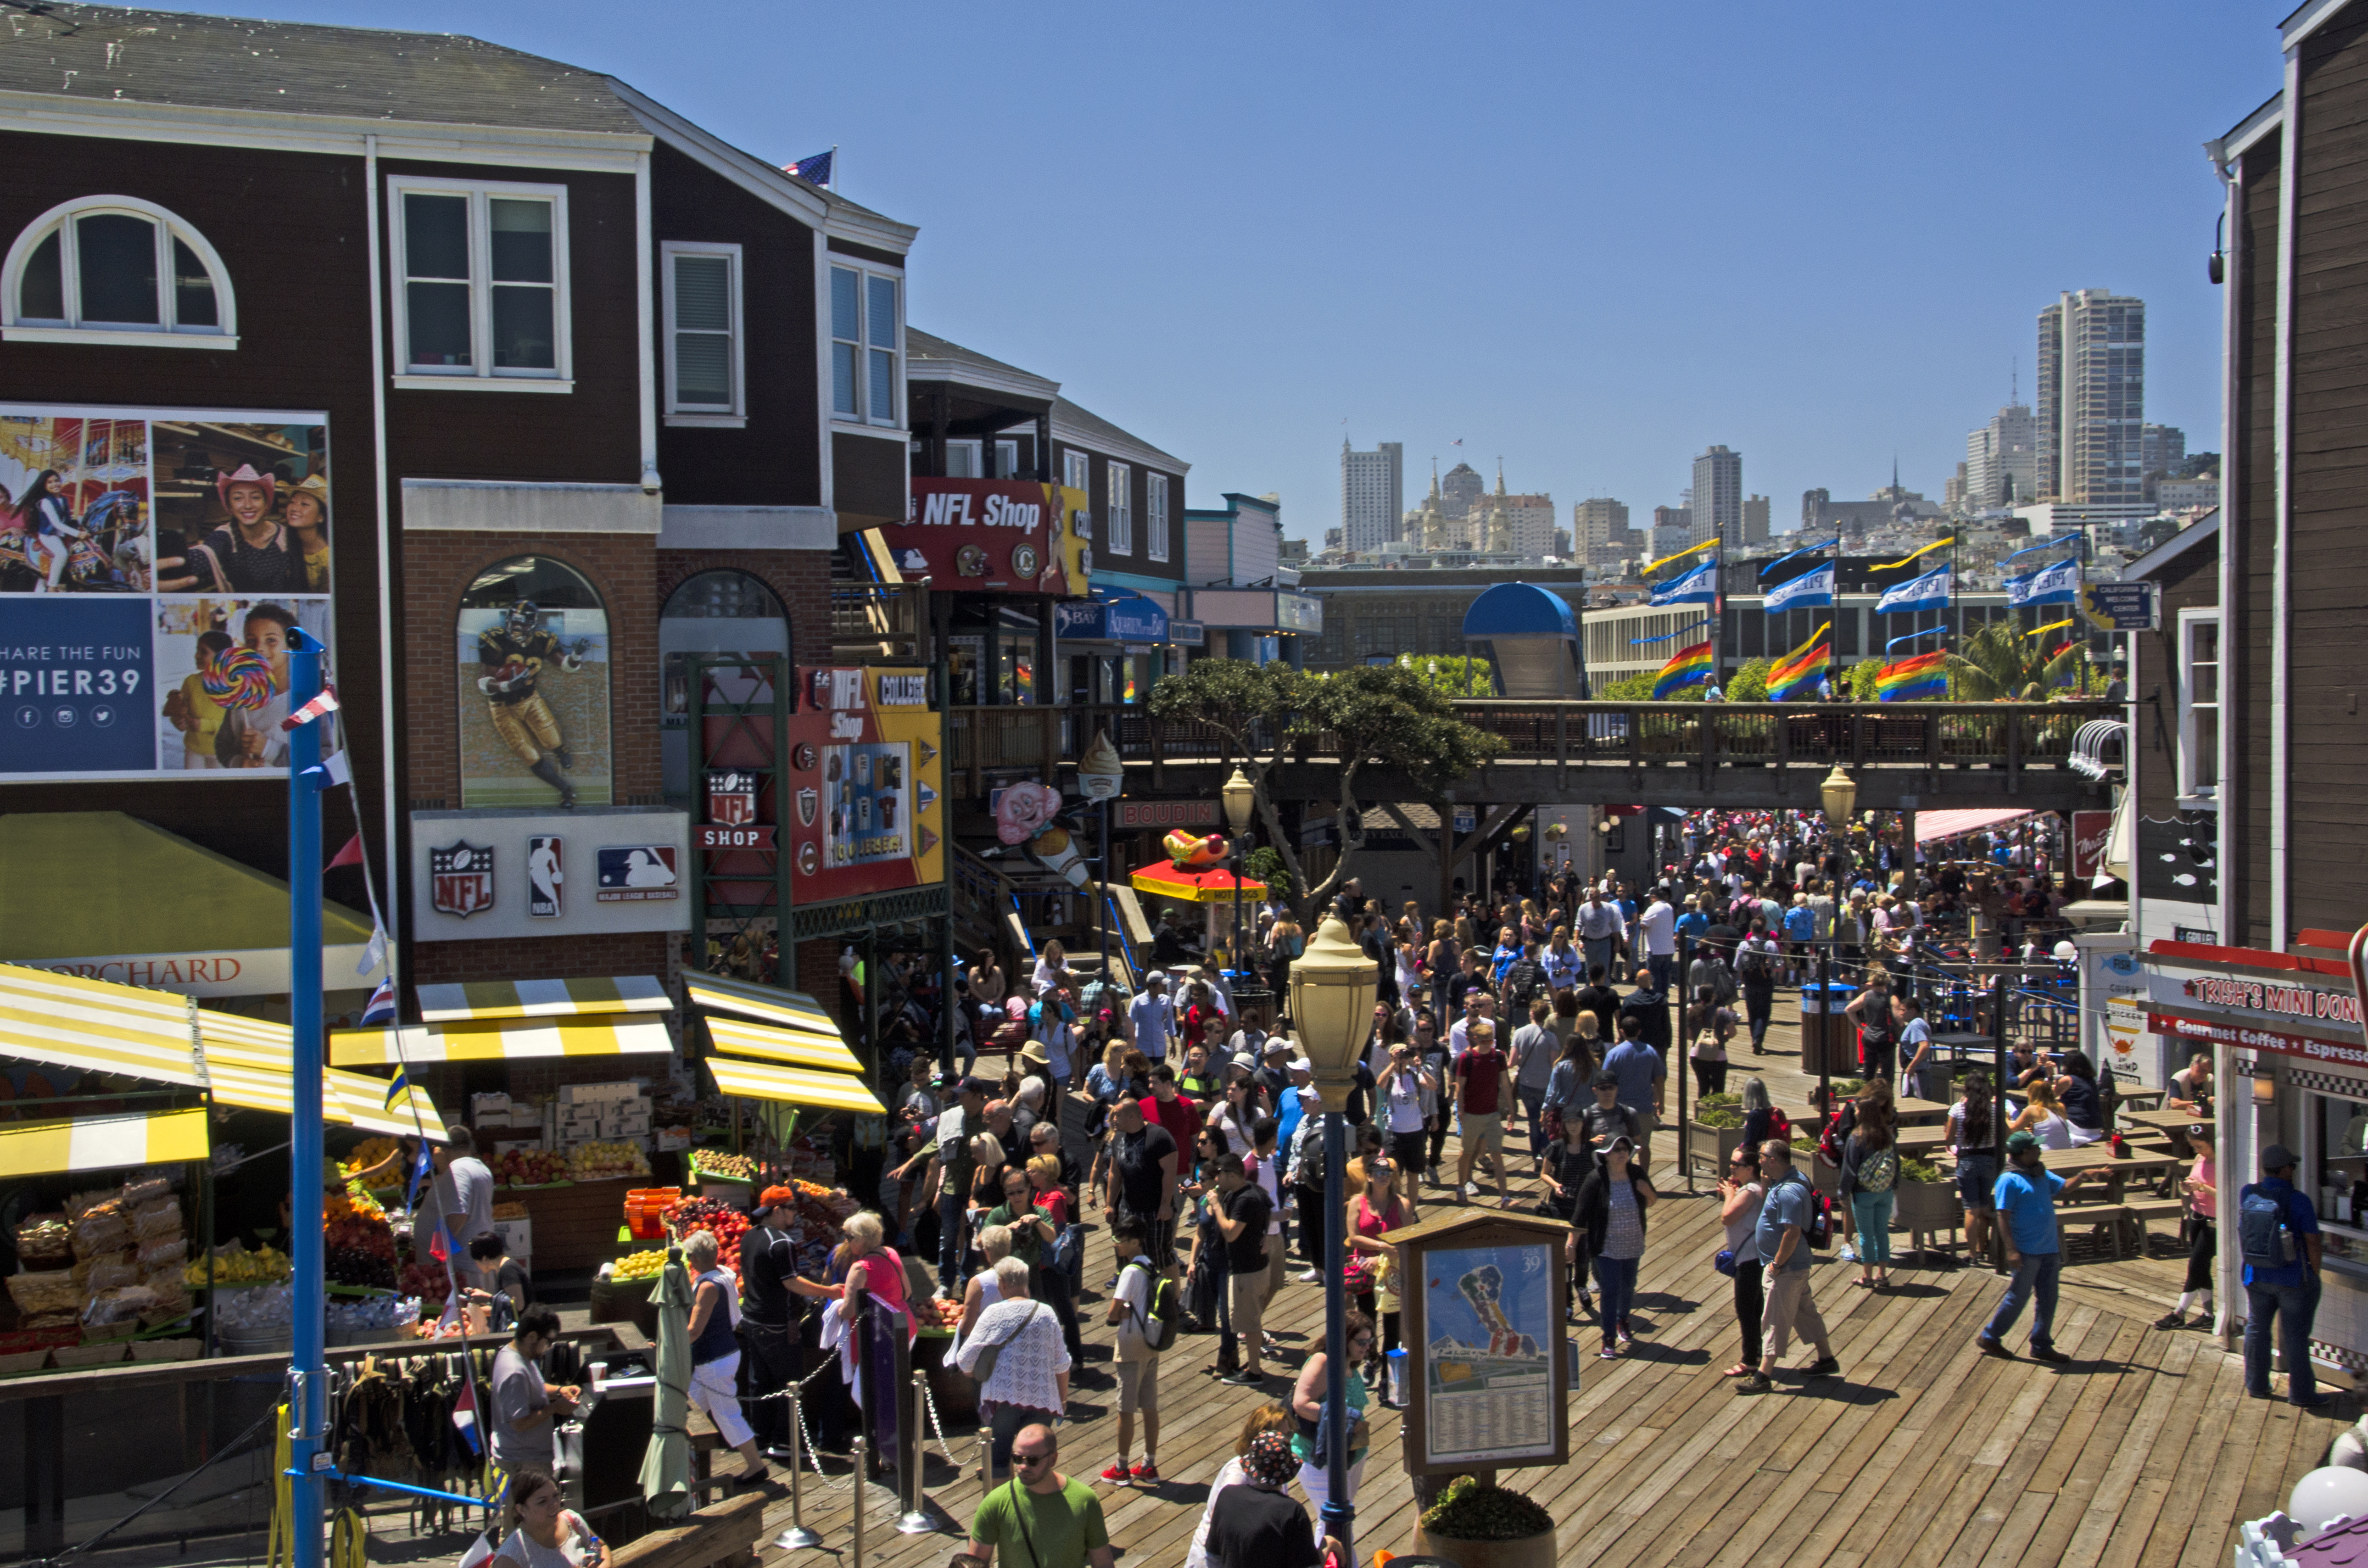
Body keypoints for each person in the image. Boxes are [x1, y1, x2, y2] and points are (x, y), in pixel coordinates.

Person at [1975, 1131, 2113, 1363]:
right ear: (2023, 1153)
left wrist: (2084, 1176)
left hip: (2049, 1248)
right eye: (2035, 1149)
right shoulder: (2009, 1180)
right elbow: (2002, 1217)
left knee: (2049, 1299)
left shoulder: (2040, 1173)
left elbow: (2065, 1188)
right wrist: (2011, 1250)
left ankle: (2041, 1344)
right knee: (2017, 1298)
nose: (2040, 1151)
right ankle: (1991, 1336)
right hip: (2027, 1250)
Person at [1735, 1140, 1838, 1394]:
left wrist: (1777, 1265)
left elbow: (1792, 1233)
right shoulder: (1789, 1179)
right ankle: (1827, 1360)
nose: (1757, 1160)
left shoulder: (1789, 1192)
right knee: (1805, 1313)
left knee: (1774, 1320)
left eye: (1761, 1157)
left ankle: (1763, 1376)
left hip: (1787, 1268)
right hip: (1796, 1266)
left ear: (1773, 1160)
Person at [956, 1257, 1072, 1475]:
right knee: (1036, 1464)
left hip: (1003, 1399)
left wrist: (978, 1374)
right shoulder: (1047, 1313)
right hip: (1042, 1399)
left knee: (999, 1461)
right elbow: (1062, 1364)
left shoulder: (993, 1313)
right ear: (1025, 1281)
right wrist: (1063, 1399)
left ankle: (1004, 1507)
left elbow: (964, 1360)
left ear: (1002, 1283)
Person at [2240, 1144, 2330, 1407]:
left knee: (2257, 1329)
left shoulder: (2248, 1193)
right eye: (2292, 1166)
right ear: (2285, 1170)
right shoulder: (2299, 1200)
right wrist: (2314, 1272)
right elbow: (2313, 1241)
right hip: (2292, 1279)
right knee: (2296, 1336)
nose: (2294, 1170)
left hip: (2256, 1275)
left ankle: (2257, 1384)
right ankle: (2301, 1394)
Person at [961, 1421, 1115, 1568]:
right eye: (1017, 1459)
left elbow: (1103, 1563)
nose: (1023, 1466)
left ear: (1053, 1459)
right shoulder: (995, 1503)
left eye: (1032, 1461)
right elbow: (975, 1564)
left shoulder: (1085, 1500)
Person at [682, 1229, 768, 1484]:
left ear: (694, 1259)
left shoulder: (708, 1286)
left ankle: (756, 1466)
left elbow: (695, 1331)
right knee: (687, 1412)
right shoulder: (724, 1275)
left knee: (727, 1415)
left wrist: (668, 1343)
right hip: (716, 1358)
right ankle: (683, 1469)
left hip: (714, 1361)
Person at [1571, 1134, 1656, 1357]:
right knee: (1610, 1290)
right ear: (1606, 1155)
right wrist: (1572, 1245)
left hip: (1633, 1243)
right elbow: (1580, 1217)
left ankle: (1623, 1321)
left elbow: (1651, 1200)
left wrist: (1648, 1193)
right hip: (1606, 1246)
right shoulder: (1595, 1179)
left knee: (1628, 1286)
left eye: (1625, 1149)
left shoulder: (1637, 1173)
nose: (1622, 1153)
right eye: (1616, 1149)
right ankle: (1608, 1338)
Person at [1184, 1404, 1298, 1568]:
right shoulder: (1237, 1475)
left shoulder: (1278, 1470)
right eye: (1281, 1436)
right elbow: (1230, 1522)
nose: (1286, 1441)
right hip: (1216, 1559)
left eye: (1289, 1434)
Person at [737, 1187, 803, 1460]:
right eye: (792, 1209)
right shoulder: (782, 1243)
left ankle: (760, 1439)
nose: (795, 1214)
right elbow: (792, 1283)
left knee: (759, 1382)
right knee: (790, 1383)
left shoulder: (749, 1237)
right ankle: (786, 1443)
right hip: (776, 1324)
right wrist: (832, 1291)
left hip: (751, 1319)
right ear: (778, 1210)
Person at [1290, 1309, 1374, 1521]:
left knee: (1344, 1515)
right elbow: (1301, 1404)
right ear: (1344, 1339)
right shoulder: (1324, 1362)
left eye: (1370, 1341)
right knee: (1331, 1521)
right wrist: (1345, 1420)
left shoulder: (1351, 1366)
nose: (1367, 1347)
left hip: (1351, 1453)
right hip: (1320, 1456)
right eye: (1361, 1342)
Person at [1100, 1217, 1166, 1485]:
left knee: (1125, 1409)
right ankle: (1149, 1464)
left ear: (1135, 1242)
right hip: (1152, 1340)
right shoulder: (1151, 1265)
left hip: (1130, 1342)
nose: (1117, 1245)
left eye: (1121, 1240)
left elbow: (1113, 1311)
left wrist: (1118, 1314)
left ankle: (1121, 1467)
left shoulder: (1129, 1271)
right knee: (1149, 1406)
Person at [1205, 1433, 1334, 1568]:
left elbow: (1213, 1557)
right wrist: (1327, 1544)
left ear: (1251, 1466)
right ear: (1288, 1471)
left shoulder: (1227, 1495)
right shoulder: (1291, 1511)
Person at [488, 1306, 578, 1482]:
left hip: (528, 1460)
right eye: (548, 1341)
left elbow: (531, 1389)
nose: (550, 1347)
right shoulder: (514, 1371)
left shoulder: (519, 1355)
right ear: (531, 1337)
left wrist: (560, 1391)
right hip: (521, 1466)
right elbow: (519, 1423)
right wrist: (555, 1408)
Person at [1207, 1152, 1274, 1385]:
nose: (1216, 1180)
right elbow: (1270, 1211)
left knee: (1250, 1324)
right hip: (1255, 1268)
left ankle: (1254, 1372)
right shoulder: (1255, 1192)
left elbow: (1230, 1233)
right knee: (1250, 1321)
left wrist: (1216, 1206)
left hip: (1247, 1270)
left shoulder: (1245, 1200)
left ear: (1231, 1175)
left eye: (1219, 1175)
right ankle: (1253, 1366)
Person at [1102, 1098, 1180, 1273]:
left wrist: (1166, 1204)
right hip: (1128, 1208)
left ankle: (1173, 1298)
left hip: (1155, 1210)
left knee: (1161, 1257)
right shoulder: (1118, 1138)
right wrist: (1109, 1205)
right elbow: (1115, 1173)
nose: (1113, 1119)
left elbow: (1169, 1173)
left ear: (1132, 1117)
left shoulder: (1159, 1137)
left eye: (1117, 1115)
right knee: (1127, 1253)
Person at [2157, 1124, 2218, 1331]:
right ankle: (2209, 1314)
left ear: (2212, 1142)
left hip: (2214, 1220)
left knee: (2196, 1265)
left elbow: (2225, 1195)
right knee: (2201, 1267)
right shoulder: (2200, 1158)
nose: (2197, 1151)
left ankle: (2179, 1313)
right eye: (2194, 1147)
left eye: (2200, 1146)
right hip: (2197, 1214)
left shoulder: (2223, 1162)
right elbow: (2195, 1183)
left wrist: (2201, 1187)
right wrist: (2188, 1188)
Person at [1837, 1087, 1899, 1289]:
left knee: (1866, 1234)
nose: (1854, 1112)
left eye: (1857, 1110)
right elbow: (1897, 1161)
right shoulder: (1888, 1135)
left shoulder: (1857, 1137)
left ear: (1863, 1113)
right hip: (1885, 1191)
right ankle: (1883, 1274)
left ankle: (1867, 1276)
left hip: (1863, 1193)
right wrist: (1894, 1185)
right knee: (1882, 1232)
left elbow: (1850, 1169)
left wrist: (1843, 1192)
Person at [429, 1127, 498, 1302]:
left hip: (466, 1262)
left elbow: (460, 1213)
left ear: (446, 1148)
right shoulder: (481, 1167)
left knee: (474, 1317)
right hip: (483, 1257)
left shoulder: (458, 1170)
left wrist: (440, 1254)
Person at [489, 1467, 609, 1568]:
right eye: (542, 1502)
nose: (554, 1504)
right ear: (521, 1509)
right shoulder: (510, 1557)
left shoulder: (572, 1520)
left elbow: (602, 1547)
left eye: (556, 1496)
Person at [1452, 1017, 1514, 1206]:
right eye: (1484, 1041)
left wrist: (1512, 1110)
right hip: (1471, 1114)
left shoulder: (1500, 1057)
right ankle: (1461, 1187)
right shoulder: (1467, 1058)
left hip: (1492, 1114)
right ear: (1477, 1039)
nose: (1488, 1045)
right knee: (1467, 1152)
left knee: (1497, 1154)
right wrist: (1461, 1111)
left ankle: (1505, 1197)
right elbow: (1459, 1088)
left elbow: (1505, 1084)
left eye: (1491, 1041)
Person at [1718, 1143, 1767, 1378]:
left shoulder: (1750, 1191)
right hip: (1753, 1257)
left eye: (1737, 1165)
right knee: (1755, 1309)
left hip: (1750, 1259)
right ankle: (1758, 1355)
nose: (1732, 1168)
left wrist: (1729, 1195)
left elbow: (1727, 1218)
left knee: (1746, 1309)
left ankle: (1750, 1360)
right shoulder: (1754, 1189)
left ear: (1750, 1168)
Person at [1601, 1014, 1666, 1170]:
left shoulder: (1614, 1054)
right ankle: (1643, 1175)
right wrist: (1661, 1102)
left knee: (1621, 1145)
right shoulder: (1649, 1051)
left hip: (1620, 1109)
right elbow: (1659, 1078)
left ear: (1622, 1032)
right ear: (1639, 1032)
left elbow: (1605, 1079)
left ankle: (1623, 1174)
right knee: (1644, 1145)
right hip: (1644, 1108)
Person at [1949, 1073, 1999, 1266]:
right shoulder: (1994, 1110)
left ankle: (1972, 1254)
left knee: (1971, 1209)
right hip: (1989, 1159)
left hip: (1968, 1160)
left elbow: (1950, 1139)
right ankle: (1982, 1246)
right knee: (1985, 1206)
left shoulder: (1958, 1109)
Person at [1509, 998, 1559, 1177]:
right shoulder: (1551, 1037)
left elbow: (1512, 1062)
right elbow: (1554, 1064)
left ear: (1531, 1013)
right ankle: (1544, 1152)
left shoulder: (1520, 1033)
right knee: (1547, 1122)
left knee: (1532, 1122)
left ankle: (1535, 1156)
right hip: (1546, 1085)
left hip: (1526, 1084)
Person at [467, 1232, 533, 1326]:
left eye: (476, 1261)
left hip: (523, 1329)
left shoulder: (507, 1269)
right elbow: (508, 1307)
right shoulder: (503, 1268)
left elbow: (518, 1305)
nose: (476, 1265)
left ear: (484, 1258)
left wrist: (488, 1298)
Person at [1685, 985, 1736, 1097]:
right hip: (1718, 1054)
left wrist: (1701, 1039)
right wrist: (1723, 1038)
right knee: (1718, 1090)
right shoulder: (1721, 1012)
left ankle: (1702, 1112)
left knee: (1703, 1088)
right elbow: (1732, 1032)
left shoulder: (1693, 1011)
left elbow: (1689, 1035)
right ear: (1713, 996)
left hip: (1697, 1054)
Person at [1894, 994, 1939, 1104]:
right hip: (1919, 1073)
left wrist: (1911, 1066)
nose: (1901, 1013)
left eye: (1903, 1010)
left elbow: (1924, 1046)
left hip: (1917, 1075)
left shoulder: (1916, 1025)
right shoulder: (1917, 1024)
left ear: (1913, 1011)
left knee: (1916, 1111)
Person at [1129, 974, 1178, 1063]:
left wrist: (1173, 1045)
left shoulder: (1166, 1000)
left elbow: (1170, 1023)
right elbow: (1131, 1024)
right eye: (1161, 985)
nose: (1163, 987)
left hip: (1160, 1049)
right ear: (1152, 985)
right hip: (1142, 1048)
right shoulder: (1138, 1001)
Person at [2168, 1051, 2214, 1116]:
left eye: (2206, 1071)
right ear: (2192, 1066)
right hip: (2174, 1117)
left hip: (2199, 1117)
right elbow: (2174, 1104)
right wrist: (2204, 1101)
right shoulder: (2179, 1079)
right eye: (2200, 1070)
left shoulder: (2210, 1080)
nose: (2203, 1074)